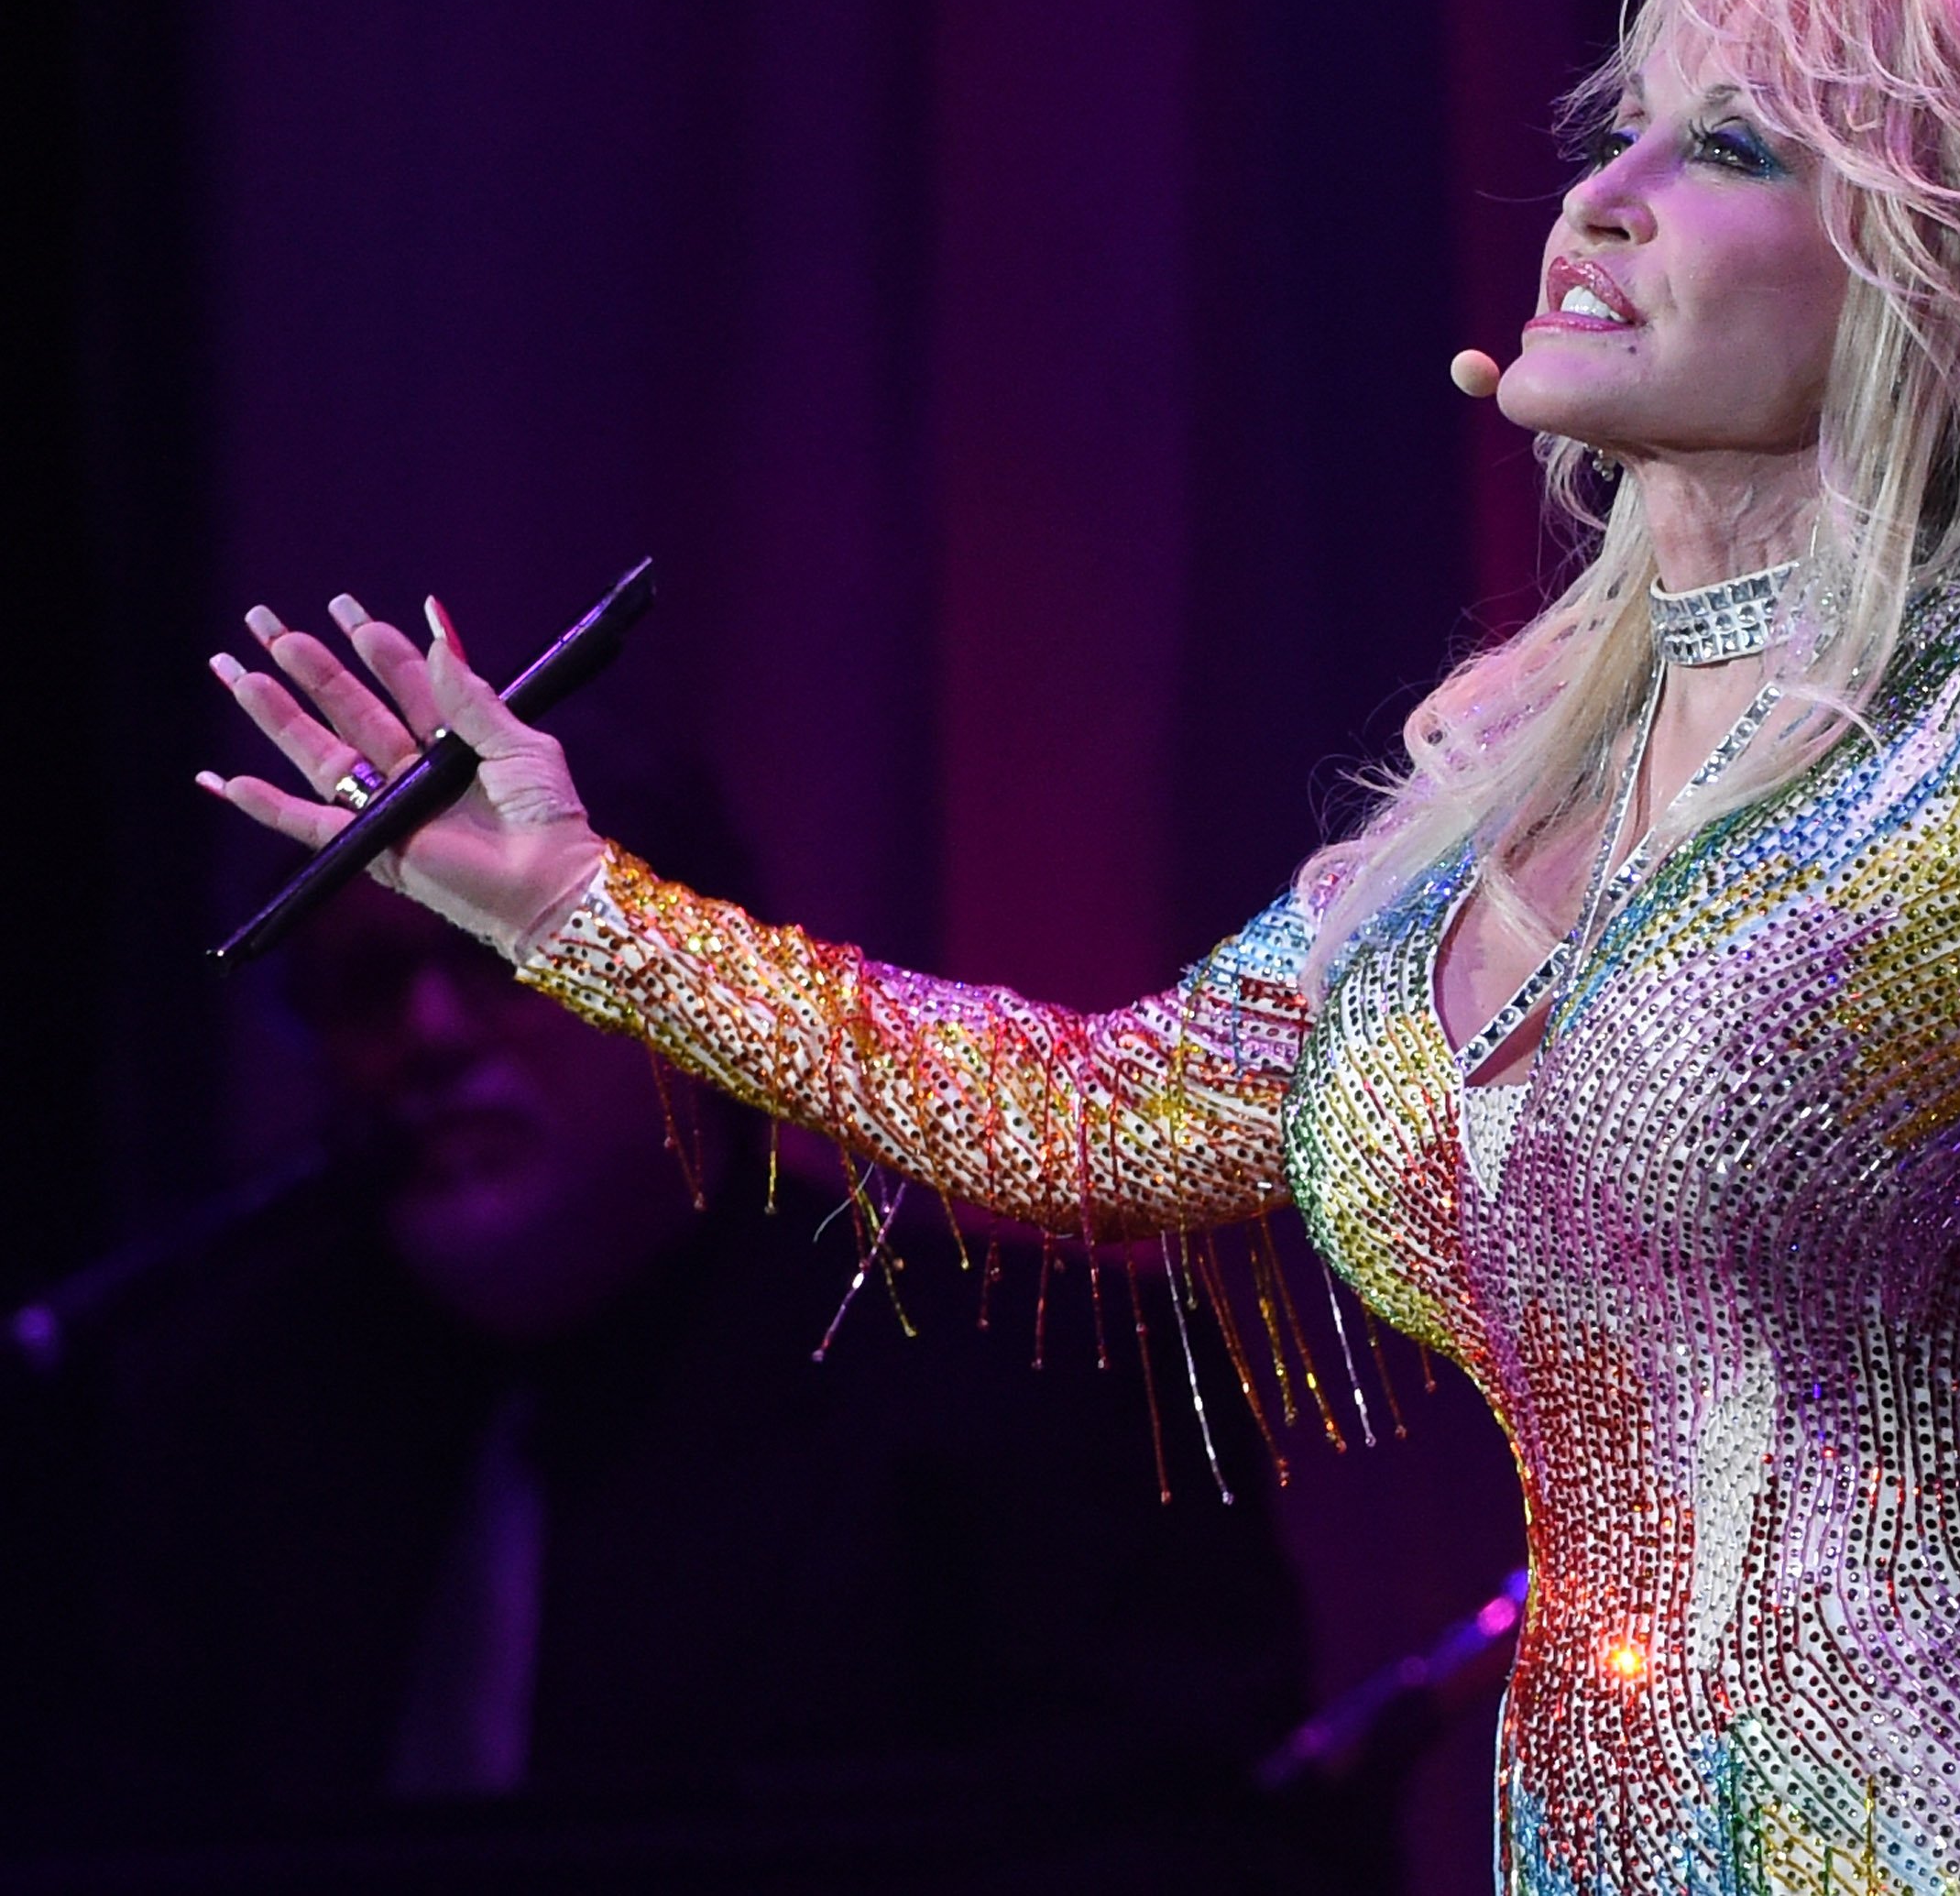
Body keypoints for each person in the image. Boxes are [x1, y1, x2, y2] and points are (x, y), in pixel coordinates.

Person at [202, 0, 1960, 1894]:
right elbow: (1095, 1109)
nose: (1610, 194)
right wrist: (567, 911)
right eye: (1629, 127)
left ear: (1933, 274)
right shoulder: (1478, 799)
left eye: (1736, 148)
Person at [53, 762, 1378, 1892]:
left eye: (496, 957)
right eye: (362, 990)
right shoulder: (217, 1416)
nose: (432, 1033)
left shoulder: (1032, 1367)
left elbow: (1195, 1852)